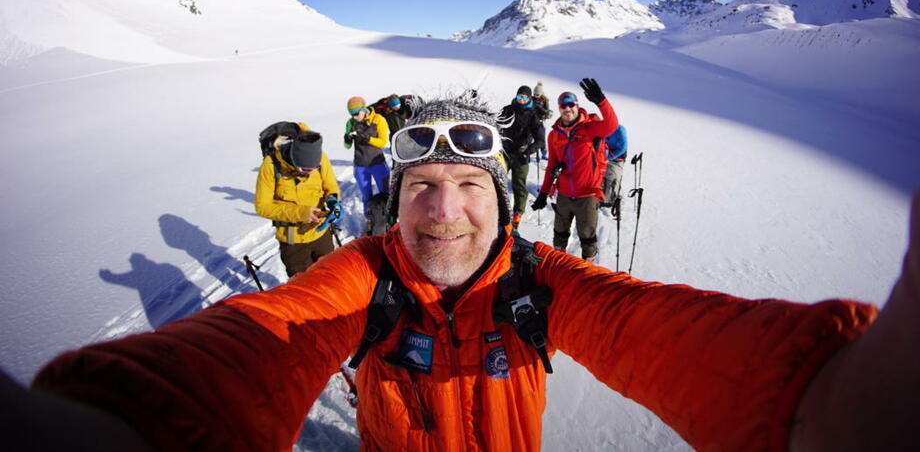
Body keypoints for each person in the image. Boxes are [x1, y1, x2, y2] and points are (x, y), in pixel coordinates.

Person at [18, 88, 920, 452]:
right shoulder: (360, 278)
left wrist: (818, 399)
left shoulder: (542, 283)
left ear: (506, 205)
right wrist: (125, 418)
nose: (443, 210)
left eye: (467, 186)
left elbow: (650, 326)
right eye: (420, 187)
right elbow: (267, 334)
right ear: (391, 203)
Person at [532, 79, 617, 261]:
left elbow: (611, 125)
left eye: (571, 104)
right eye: (563, 105)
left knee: (587, 237)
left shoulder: (590, 129)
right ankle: (559, 265)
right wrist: (543, 193)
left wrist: (601, 101)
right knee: (559, 234)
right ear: (559, 108)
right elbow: (552, 166)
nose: (567, 108)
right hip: (563, 195)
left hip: (586, 195)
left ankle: (587, 268)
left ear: (577, 107)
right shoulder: (554, 135)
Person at [254, 126, 340, 278]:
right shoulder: (270, 165)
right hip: (293, 239)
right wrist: (300, 213)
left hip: (321, 232)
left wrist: (334, 200)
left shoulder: (320, 157)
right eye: (305, 170)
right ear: (294, 159)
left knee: (330, 274)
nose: (311, 172)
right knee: (303, 284)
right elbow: (262, 206)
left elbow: (330, 185)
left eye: (314, 168)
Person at [499, 85, 546, 233]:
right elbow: (496, 125)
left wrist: (528, 152)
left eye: (524, 97)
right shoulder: (508, 109)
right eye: (519, 97)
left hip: (521, 154)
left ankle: (517, 216)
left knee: (519, 185)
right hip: (505, 152)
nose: (521, 100)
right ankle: (498, 212)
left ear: (529, 98)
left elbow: (540, 140)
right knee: (497, 181)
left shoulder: (533, 115)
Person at [344, 96, 390, 221]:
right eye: (351, 114)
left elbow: (383, 143)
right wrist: (347, 139)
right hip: (360, 165)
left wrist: (367, 139)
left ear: (364, 109)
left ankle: (389, 218)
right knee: (366, 196)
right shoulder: (351, 123)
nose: (354, 117)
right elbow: (347, 146)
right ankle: (369, 220)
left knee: (386, 193)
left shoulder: (378, 119)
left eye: (356, 113)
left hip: (377, 163)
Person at [599, 124, 628, 216]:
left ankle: (610, 198)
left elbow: (623, 148)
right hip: (604, 156)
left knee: (612, 177)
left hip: (617, 158)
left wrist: (610, 157)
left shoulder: (620, 130)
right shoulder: (602, 128)